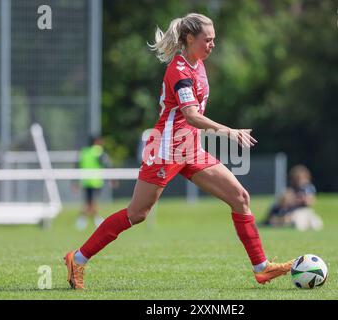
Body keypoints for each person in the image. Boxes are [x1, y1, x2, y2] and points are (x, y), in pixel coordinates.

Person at [64, 13, 294, 290]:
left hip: (190, 149)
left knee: (240, 197)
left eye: (214, 40)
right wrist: (229, 131)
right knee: (137, 214)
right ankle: (77, 258)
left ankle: (261, 268)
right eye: (207, 40)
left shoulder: (198, 64)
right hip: (165, 149)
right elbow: (191, 115)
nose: (212, 45)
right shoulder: (180, 71)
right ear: (189, 39)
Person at [262, 165, 323, 231]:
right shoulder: (290, 189)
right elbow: (282, 202)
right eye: (298, 178)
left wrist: (302, 200)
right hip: (292, 212)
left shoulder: (308, 188)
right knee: (296, 222)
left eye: (302, 178)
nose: (301, 180)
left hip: (304, 211)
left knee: (316, 224)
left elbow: (310, 201)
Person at [74, 136, 110, 230]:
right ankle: (93, 220)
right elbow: (106, 164)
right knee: (91, 203)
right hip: (96, 181)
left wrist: (75, 182)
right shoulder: (99, 151)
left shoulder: (84, 152)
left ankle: (86, 220)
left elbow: (77, 166)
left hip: (86, 181)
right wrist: (112, 179)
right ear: (97, 142)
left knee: (89, 203)